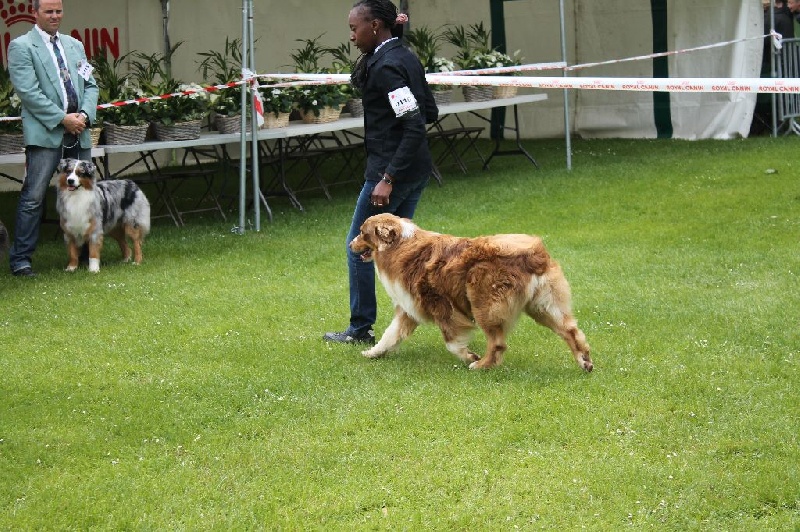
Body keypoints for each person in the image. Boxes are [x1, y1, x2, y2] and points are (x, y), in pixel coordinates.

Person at [323, 0, 438, 345]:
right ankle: (410, 315)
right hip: (415, 168)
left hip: (391, 174)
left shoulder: (388, 66)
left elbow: (415, 125)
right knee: (400, 249)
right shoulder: (403, 55)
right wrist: (395, 32)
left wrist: (387, 179)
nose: (351, 37)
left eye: (354, 29)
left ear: (374, 26)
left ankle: (360, 328)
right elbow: (428, 110)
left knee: (359, 247)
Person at [7, 0, 98, 277]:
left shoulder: (75, 45)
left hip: (78, 131)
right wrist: (63, 119)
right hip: (46, 133)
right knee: (33, 197)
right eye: (49, 11)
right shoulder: (21, 46)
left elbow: (91, 85)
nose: (55, 16)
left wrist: (83, 114)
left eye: (58, 11)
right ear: (35, 13)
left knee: (84, 193)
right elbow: (29, 92)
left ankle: (84, 253)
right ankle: (21, 260)